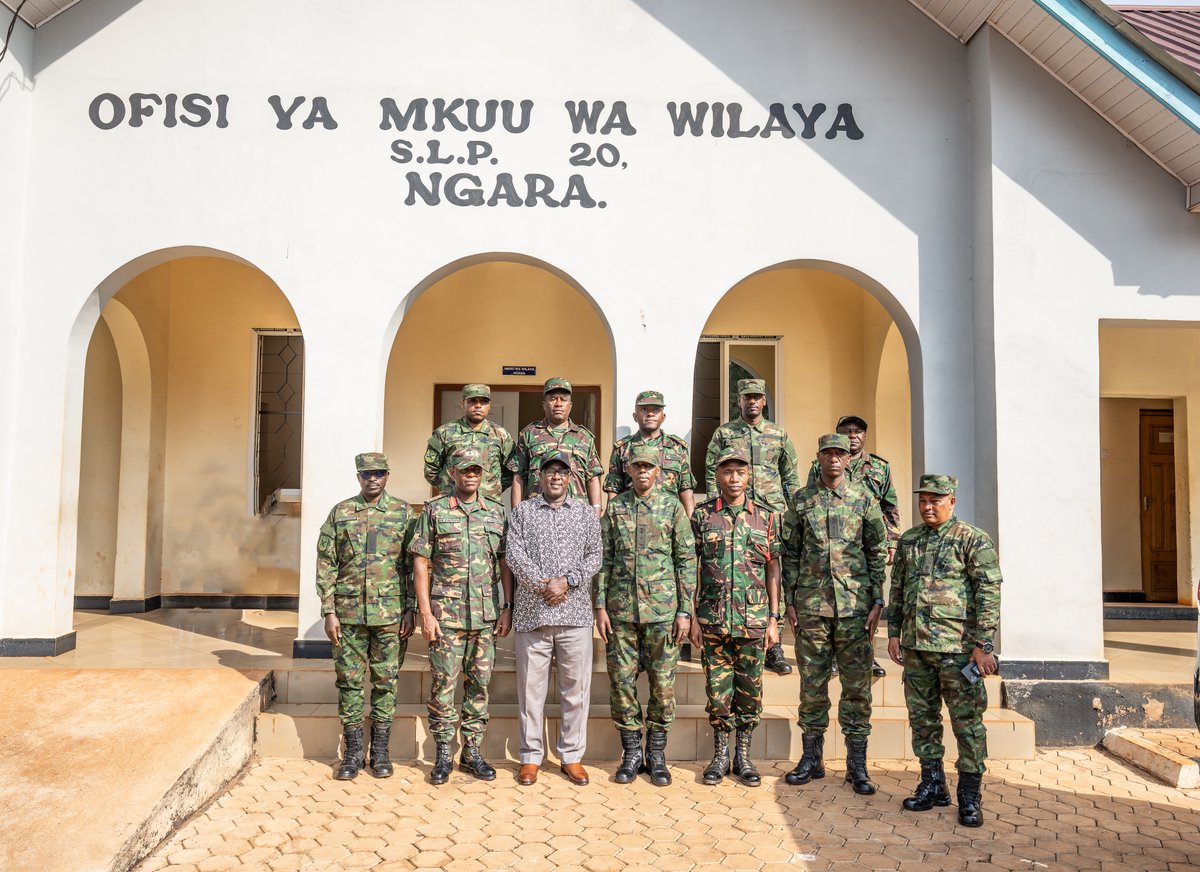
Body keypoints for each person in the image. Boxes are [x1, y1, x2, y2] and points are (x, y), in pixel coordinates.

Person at [887, 474, 1002, 828]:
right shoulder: (909, 540)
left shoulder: (971, 539)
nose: (927, 506)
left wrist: (983, 645)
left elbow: (989, 592)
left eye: (936, 499)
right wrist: (894, 633)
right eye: (923, 499)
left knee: (967, 725)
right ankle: (933, 784)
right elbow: (898, 589)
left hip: (958, 650)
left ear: (952, 501)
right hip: (916, 648)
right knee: (923, 722)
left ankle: (970, 795)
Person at [783, 434, 888, 795]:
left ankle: (856, 765)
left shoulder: (863, 499)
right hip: (812, 607)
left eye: (839, 454)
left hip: (855, 609)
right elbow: (791, 552)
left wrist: (878, 601)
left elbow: (876, 551)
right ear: (819, 457)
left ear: (848, 459)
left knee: (857, 688)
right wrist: (790, 601)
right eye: (827, 453)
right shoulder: (802, 500)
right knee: (812, 686)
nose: (833, 459)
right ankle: (811, 759)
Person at [411, 447, 513, 785]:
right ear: (453, 473)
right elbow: (421, 563)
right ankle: (443, 753)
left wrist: (506, 607)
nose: (470, 475)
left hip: (484, 617)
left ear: (483, 475)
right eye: (464, 470)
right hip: (447, 617)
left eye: (476, 470)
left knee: (480, 686)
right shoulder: (436, 510)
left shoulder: (496, 513)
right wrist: (425, 613)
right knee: (443, 686)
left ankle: (471, 752)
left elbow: (504, 562)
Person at [595, 444, 696, 786]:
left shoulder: (672, 508)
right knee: (621, 685)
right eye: (636, 466)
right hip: (621, 612)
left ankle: (656, 754)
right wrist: (600, 606)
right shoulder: (617, 508)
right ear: (629, 470)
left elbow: (686, 560)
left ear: (659, 472)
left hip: (663, 613)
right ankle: (631, 753)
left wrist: (685, 610)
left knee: (662, 687)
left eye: (648, 466)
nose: (641, 471)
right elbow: (604, 559)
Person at [315, 452, 416, 781]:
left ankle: (381, 751)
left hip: (390, 615)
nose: (372, 478)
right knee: (349, 684)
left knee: (386, 682)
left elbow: (415, 565)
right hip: (348, 615)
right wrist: (328, 611)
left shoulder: (403, 513)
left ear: (388, 475)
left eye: (378, 473)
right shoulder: (341, 513)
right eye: (366, 474)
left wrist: (411, 608)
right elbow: (326, 563)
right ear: (358, 477)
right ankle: (354, 752)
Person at [505, 452, 603, 786]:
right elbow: (514, 555)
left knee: (575, 691)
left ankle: (571, 756)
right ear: (540, 477)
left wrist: (568, 582)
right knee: (531, 692)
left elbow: (595, 556)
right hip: (533, 614)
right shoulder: (523, 512)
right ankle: (530, 757)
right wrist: (542, 585)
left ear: (571, 477)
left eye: (562, 471)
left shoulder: (586, 515)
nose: (556, 477)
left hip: (574, 615)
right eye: (549, 471)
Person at [690, 446, 781, 787]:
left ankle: (743, 755)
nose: (734, 478)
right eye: (727, 471)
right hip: (712, 619)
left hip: (754, 621)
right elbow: (691, 567)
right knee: (717, 690)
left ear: (748, 475)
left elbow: (774, 569)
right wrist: (694, 617)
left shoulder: (767, 517)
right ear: (717, 476)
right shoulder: (702, 516)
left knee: (750, 691)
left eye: (740, 471)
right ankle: (719, 755)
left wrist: (774, 619)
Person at [704, 378, 799, 676]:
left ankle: (774, 645)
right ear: (739, 400)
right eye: (747, 397)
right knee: (727, 571)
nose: (752, 402)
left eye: (757, 396)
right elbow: (710, 472)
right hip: (732, 513)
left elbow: (791, 477)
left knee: (773, 574)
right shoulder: (725, 433)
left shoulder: (778, 434)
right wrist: (713, 512)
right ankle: (725, 635)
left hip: (770, 514)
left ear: (764, 400)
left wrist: (792, 514)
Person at [807, 414, 899, 678]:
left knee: (868, 599)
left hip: (868, 542)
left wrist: (892, 539)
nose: (853, 435)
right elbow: (814, 499)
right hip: (833, 543)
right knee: (833, 602)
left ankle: (867, 656)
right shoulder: (822, 463)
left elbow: (889, 506)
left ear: (864, 436)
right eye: (846, 430)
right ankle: (835, 656)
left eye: (858, 430)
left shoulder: (880, 467)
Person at [513, 377, 604, 515]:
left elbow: (592, 478)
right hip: (536, 512)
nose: (558, 403)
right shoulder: (529, 434)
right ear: (544, 404)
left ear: (570, 405)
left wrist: (596, 512)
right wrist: (517, 513)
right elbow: (518, 477)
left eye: (563, 399)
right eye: (553, 398)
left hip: (576, 513)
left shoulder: (584, 437)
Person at [604, 390, 696, 515]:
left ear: (663, 417)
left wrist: (692, 524)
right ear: (635, 416)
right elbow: (614, 489)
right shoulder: (622, 448)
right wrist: (612, 520)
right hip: (631, 519)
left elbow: (686, 490)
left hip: (668, 520)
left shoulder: (678, 448)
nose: (650, 414)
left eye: (656, 410)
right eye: (644, 410)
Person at [423, 384, 516, 502]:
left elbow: (511, 471)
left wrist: (490, 488)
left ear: (489, 406)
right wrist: (449, 487)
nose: (478, 406)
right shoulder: (444, 433)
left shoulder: (501, 435)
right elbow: (430, 470)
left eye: (483, 402)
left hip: (488, 507)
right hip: (452, 505)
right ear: (463, 404)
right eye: (472, 401)